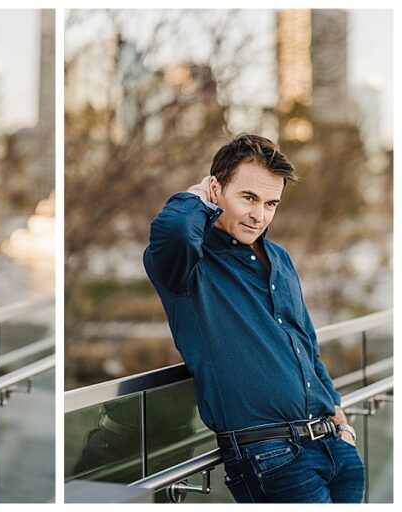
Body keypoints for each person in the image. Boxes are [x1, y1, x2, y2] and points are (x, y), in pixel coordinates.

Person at [143, 134, 365, 503]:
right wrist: (197, 198)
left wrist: (338, 417)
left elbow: (305, 346)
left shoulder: (280, 257)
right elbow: (178, 228)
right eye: (248, 197)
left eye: (270, 203)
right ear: (215, 190)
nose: (259, 215)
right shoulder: (188, 263)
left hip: (334, 446)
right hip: (272, 458)